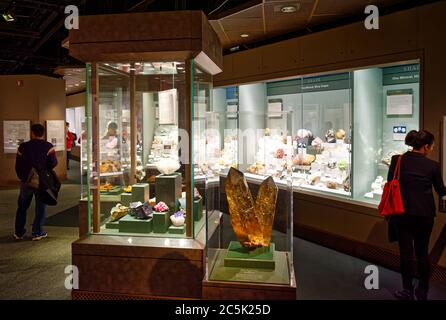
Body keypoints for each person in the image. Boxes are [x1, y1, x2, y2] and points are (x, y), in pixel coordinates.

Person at [388, 130, 446, 300]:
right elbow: (441, 191)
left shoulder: (397, 160)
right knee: (422, 252)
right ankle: (422, 290)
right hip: (424, 215)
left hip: (402, 214)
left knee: (406, 254)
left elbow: (390, 182)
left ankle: (407, 290)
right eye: (432, 146)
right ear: (426, 147)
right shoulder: (433, 166)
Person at [14, 123, 58, 241]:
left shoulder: (23, 147)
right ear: (43, 134)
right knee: (41, 207)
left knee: (22, 207)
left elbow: (18, 165)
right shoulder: (48, 146)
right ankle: (37, 232)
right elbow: (53, 163)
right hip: (41, 181)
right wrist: (44, 170)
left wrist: (22, 176)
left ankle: (19, 232)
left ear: (32, 133)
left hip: (26, 180)